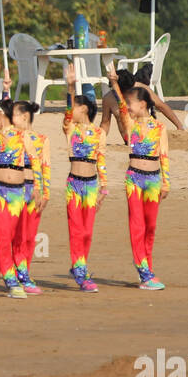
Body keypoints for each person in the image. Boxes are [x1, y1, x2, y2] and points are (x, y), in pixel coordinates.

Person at [0, 70, 37, 299]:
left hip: (18, 193)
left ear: (1, 115)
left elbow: (10, 110)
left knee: (8, 239)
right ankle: (11, 281)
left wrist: (6, 89)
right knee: (3, 237)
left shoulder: (22, 134)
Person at [108, 69, 170, 290]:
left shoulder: (159, 128)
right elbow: (122, 107)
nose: (128, 106)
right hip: (134, 179)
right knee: (137, 224)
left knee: (150, 226)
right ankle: (144, 272)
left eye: (132, 102)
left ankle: (148, 267)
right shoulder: (130, 124)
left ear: (143, 105)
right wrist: (114, 84)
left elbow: (164, 155)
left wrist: (166, 182)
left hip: (153, 180)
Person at [63, 65, 111, 291]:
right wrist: (70, 86)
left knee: (88, 230)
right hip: (74, 183)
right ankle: (81, 271)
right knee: (76, 228)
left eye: (76, 106)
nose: (72, 110)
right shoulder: (70, 129)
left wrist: (104, 187)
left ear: (85, 109)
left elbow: (101, 159)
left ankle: (79, 264)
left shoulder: (99, 133)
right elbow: (67, 113)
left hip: (91, 185)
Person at [11, 101, 49, 295]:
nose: (11, 119)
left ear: (24, 117)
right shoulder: (13, 137)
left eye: (14, 116)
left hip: (34, 191)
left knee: (30, 236)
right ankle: (21, 273)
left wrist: (45, 192)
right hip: (15, 189)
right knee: (17, 234)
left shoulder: (41, 139)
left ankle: (24, 270)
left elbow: (45, 167)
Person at [105, 68, 184, 143]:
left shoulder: (141, 89)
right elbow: (105, 123)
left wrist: (179, 126)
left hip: (149, 136)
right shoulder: (109, 98)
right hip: (129, 141)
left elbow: (161, 106)